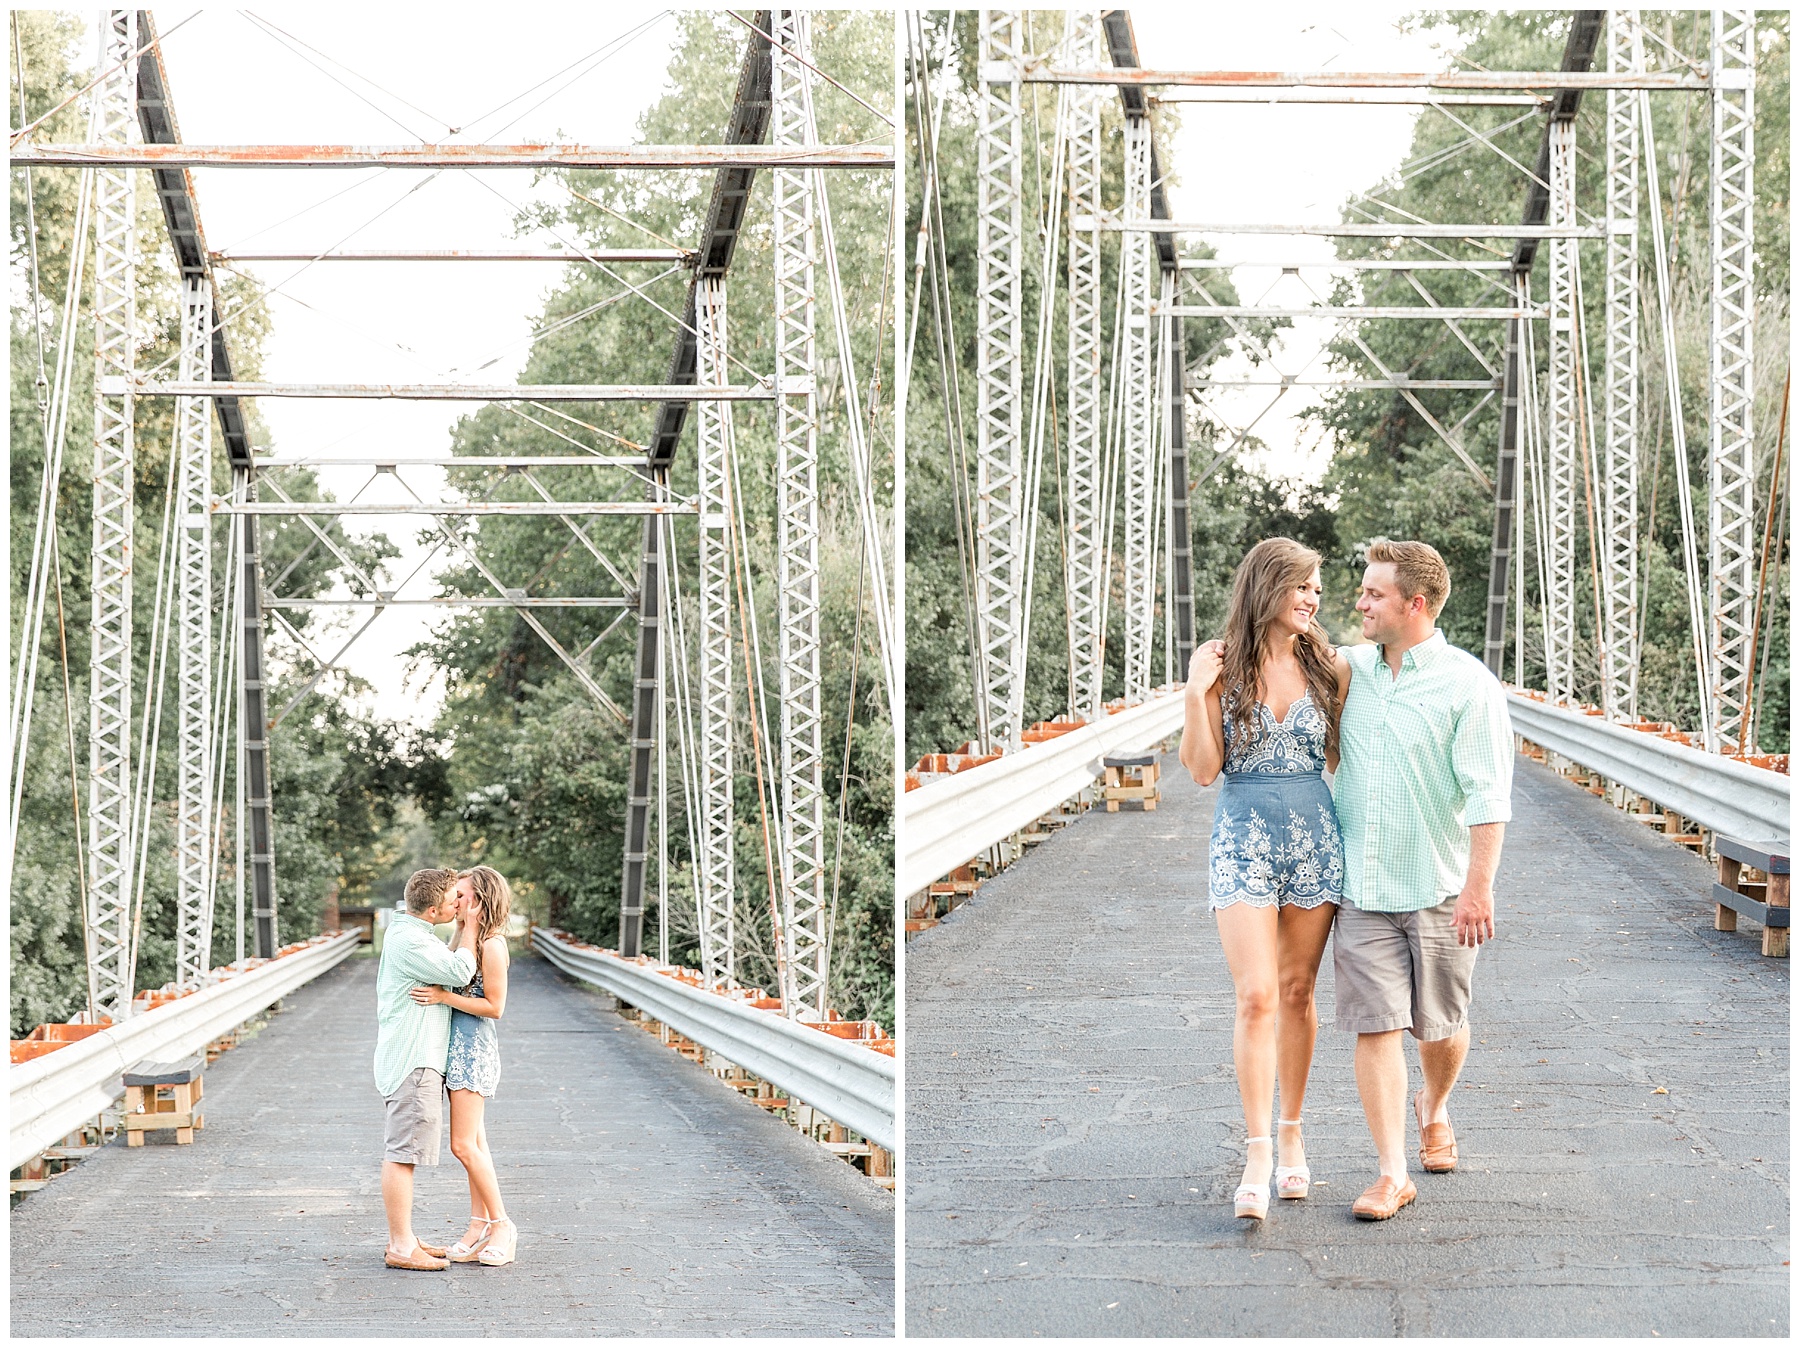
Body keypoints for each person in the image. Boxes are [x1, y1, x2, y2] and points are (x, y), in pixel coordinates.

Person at [1331, 539, 1512, 1221]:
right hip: (1363, 889)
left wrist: (1478, 886)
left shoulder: (1468, 684)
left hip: (1440, 888)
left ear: (1414, 603)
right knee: (1375, 1028)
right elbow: (1275, 655)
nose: (1360, 602)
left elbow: (1489, 796)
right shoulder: (1349, 669)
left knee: (1440, 1025)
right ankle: (1390, 1173)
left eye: (1374, 593)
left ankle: (1433, 1105)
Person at [1180, 537, 1351, 1221]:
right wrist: (1195, 692)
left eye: (1317, 588)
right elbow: (1199, 769)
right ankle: (1256, 1152)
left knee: (1298, 991)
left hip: (1315, 838)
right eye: (1301, 586)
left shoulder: (1330, 668)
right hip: (1243, 837)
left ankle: (1293, 1134)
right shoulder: (1222, 667)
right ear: (1266, 588)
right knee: (1254, 997)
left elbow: (1358, 751)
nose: (1312, 599)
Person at [409, 865, 517, 1267]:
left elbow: (495, 1007)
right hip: (454, 1050)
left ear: (479, 900)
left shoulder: (493, 945)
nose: (455, 900)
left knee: (461, 1146)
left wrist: (443, 998)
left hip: (473, 1051)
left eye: (462, 895)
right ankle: (478, 1225)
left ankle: (503, 1225)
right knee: (476, 1145)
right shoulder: (464, 938)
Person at [375, 867, 479, 1270]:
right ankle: (401, 1246)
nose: (460, 903)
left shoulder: (412, 934)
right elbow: (459, 971)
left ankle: (405, 1237)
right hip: (414, 1062)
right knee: (402, 1155)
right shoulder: (409, 942)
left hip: (412, 1059)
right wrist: (470, 925)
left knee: (405, 1151)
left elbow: (447, 964)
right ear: (434, 908)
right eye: (456, 898)